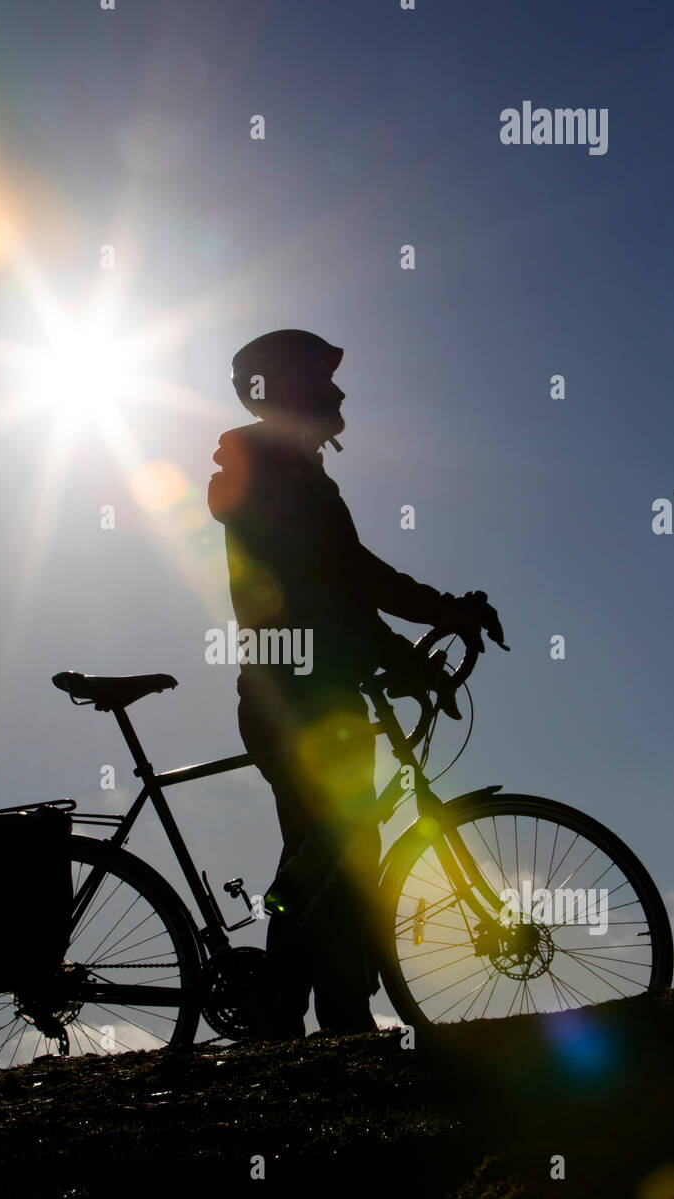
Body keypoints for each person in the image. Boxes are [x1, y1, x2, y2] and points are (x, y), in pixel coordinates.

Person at [207, 329, 502, 1037]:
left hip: (312, 689)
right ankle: (299, 1018)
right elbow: (339, 576)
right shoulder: (273, 476)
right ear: (282, 387)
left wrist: (403, 651)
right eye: (317, 377)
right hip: (295, 692)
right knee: (330, 853)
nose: (336, 390)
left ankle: (319, 1018)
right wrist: (433, 617)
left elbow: (338, 586)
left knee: (337, 856)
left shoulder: (296, 473)